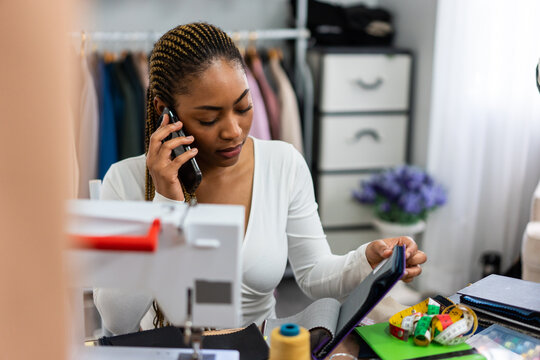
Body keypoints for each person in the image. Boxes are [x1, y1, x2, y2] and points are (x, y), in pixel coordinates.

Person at [94, 22, 427, 335]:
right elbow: (116, 320)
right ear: (166, 112)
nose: (233, 131)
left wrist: (364, 260)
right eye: (209, 119)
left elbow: (313, 274)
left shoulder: (283, 164)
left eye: (243, 107)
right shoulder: (123, 181)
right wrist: (166, 204)